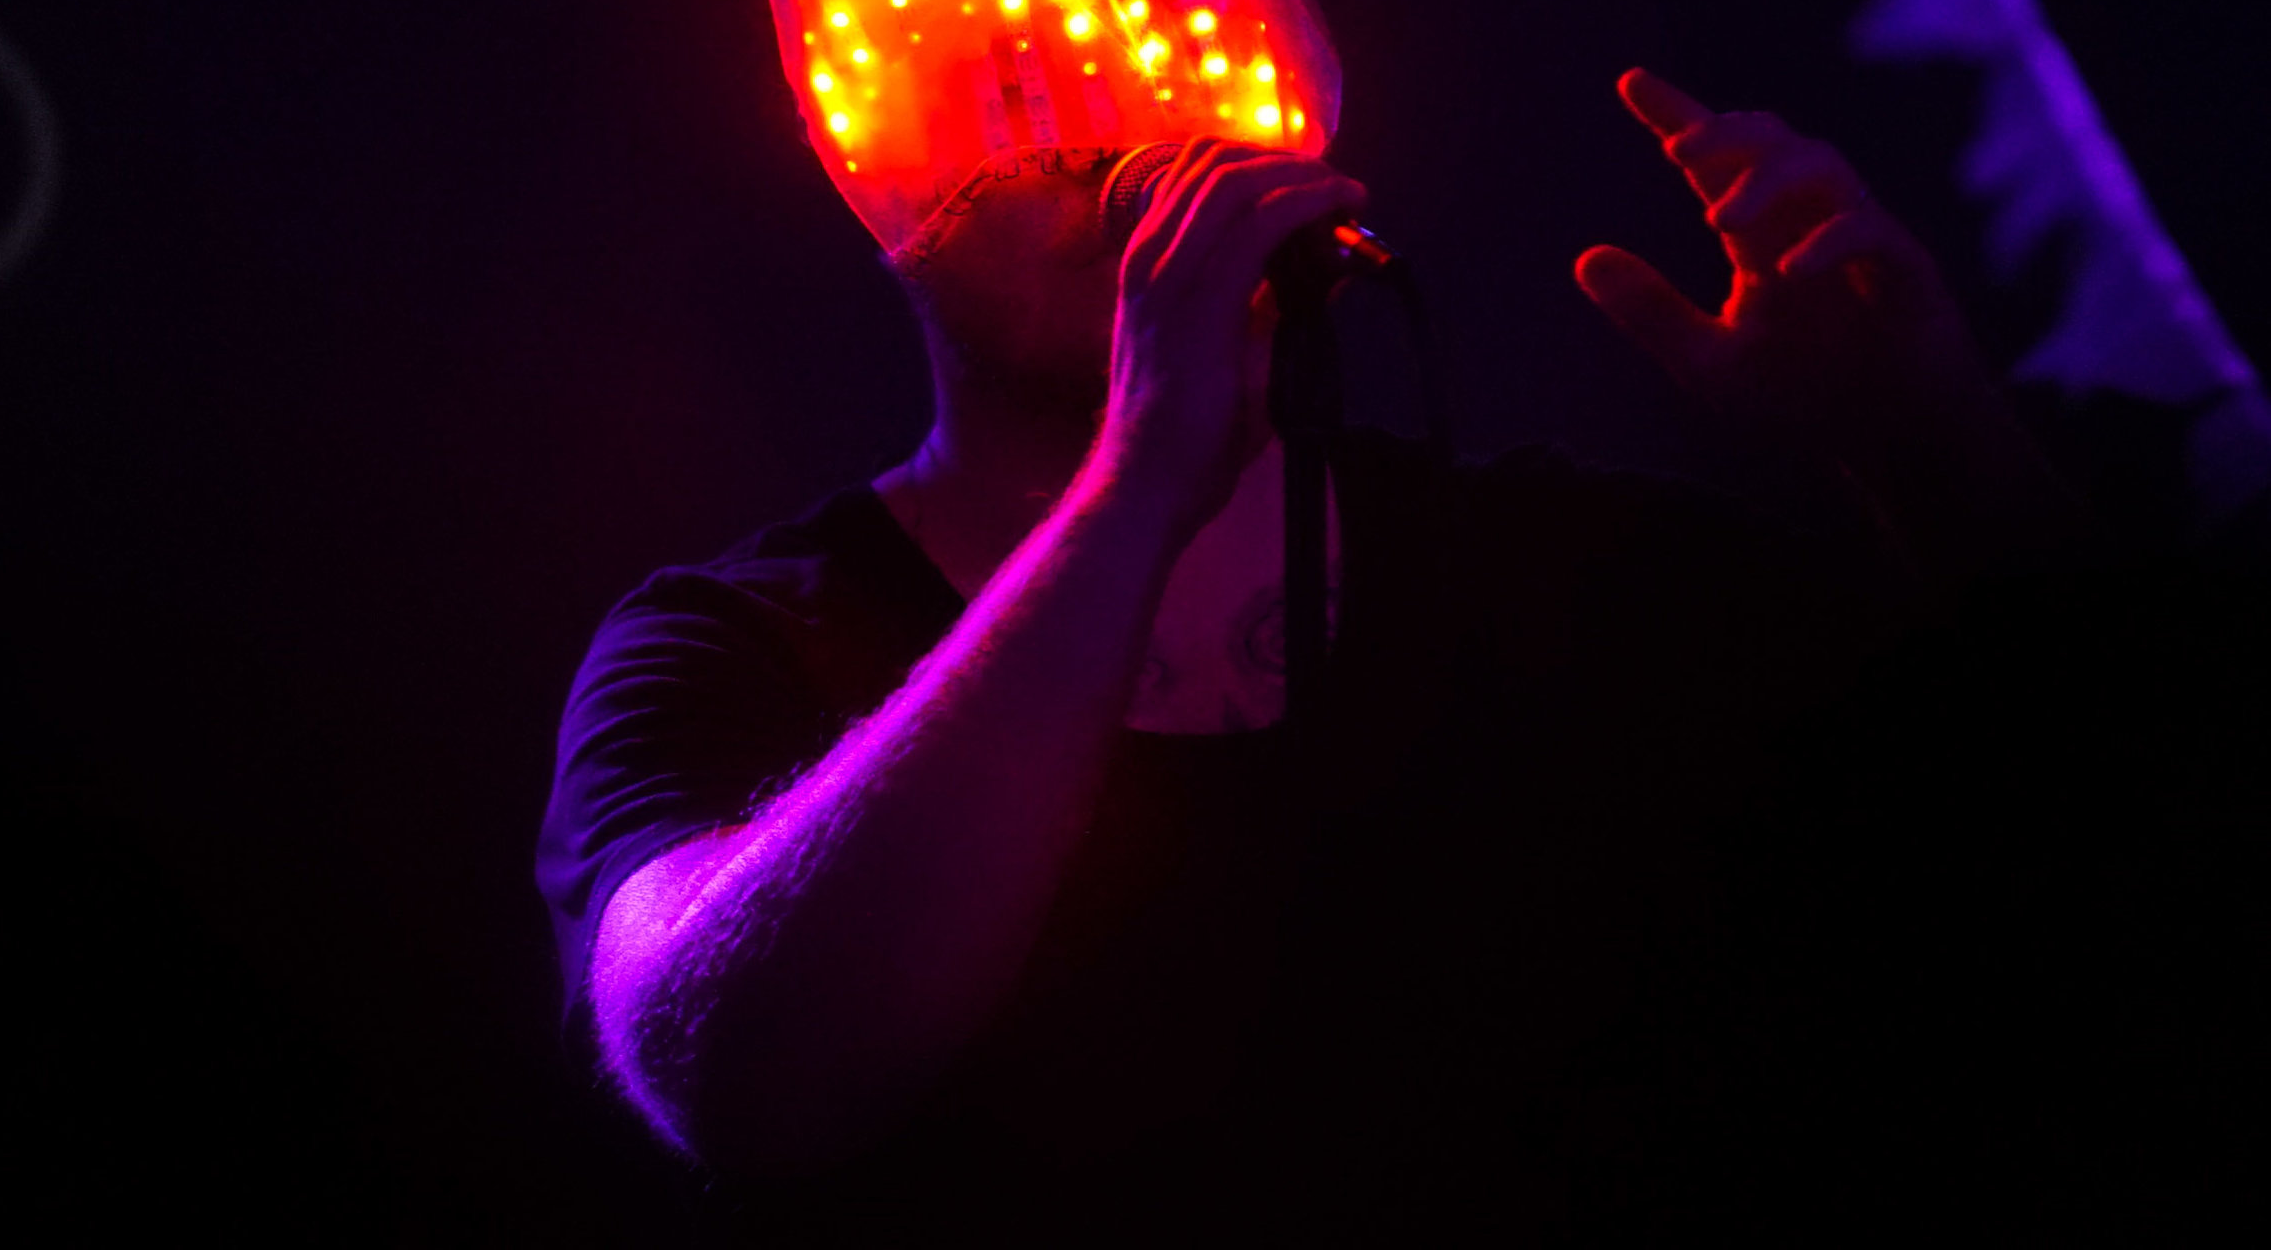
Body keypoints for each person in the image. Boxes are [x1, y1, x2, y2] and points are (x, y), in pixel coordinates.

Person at [536, 64, 2073, 1230]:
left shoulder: (1549, 564)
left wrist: (1921, 437)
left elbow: (2089, 825)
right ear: (868, 156)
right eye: (1017, 95)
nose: (1109, 127)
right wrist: (1138, 482)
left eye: (1154, 49)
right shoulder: (729, 641)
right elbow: (727, 1067)